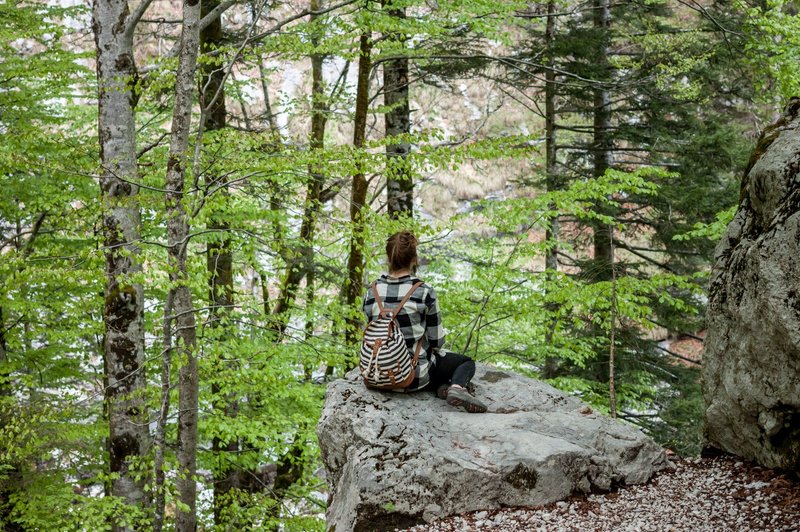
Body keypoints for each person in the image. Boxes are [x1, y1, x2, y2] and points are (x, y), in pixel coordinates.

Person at [362, 230, 487, 413]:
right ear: (415, 259)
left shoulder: (371, 291)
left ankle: (441, 387)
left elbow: (372, 333)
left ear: (388, 258)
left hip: (376, 375)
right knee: (465, 362)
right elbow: (436, 341)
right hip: (413, 379)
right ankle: (456, 388)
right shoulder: (424, 291)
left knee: (432, 362)